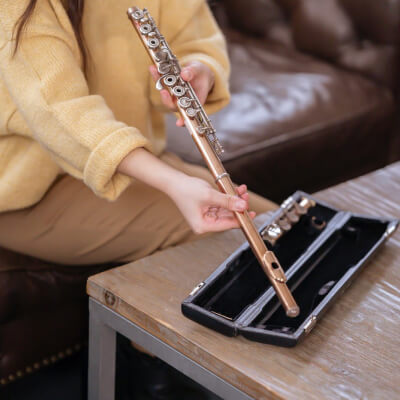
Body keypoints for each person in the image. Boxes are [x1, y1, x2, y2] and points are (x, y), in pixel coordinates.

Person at [0, 0, 276, 397]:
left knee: (281, 227)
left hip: (125, 160)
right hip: (25, 189)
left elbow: (195, 35)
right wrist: (173, 183)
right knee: (234, 242)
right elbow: (60, 112)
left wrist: (200, 70)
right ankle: (154, 377)